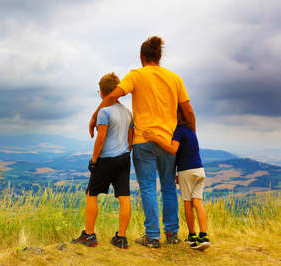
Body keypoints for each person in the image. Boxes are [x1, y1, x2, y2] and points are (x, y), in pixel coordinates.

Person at [88, 36, 196, 248]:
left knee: (147, 187)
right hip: (168, 140)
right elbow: (189, 112)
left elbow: (112, 97)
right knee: (167, 187)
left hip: (142, 140)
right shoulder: (175, 78)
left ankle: (153, 236)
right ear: (159, 56)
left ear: (142, 57)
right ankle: (172, 234)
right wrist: (191, 139)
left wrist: (94, 116)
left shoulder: (136, 75)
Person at [72, 72, 134, 249]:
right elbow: (131, 141)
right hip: (124, 158)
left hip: (106, 159)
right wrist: (124, 152)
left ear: (102, 92)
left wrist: (93, 160)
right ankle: (121, 238)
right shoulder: (128, 113)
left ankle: (89, 235)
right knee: (124, 197)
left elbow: (100, 139)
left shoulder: (104, 112)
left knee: (91, 194)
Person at [143, 109, 211, 250]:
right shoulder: (191, 130)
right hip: (199, 170)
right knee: (198, 202)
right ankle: (203, 235)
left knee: (187, 203)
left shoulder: (179, 131)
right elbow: (186, 152)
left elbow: (173, 149)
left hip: (186, 171)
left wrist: (156, 138)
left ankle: (192, 236)